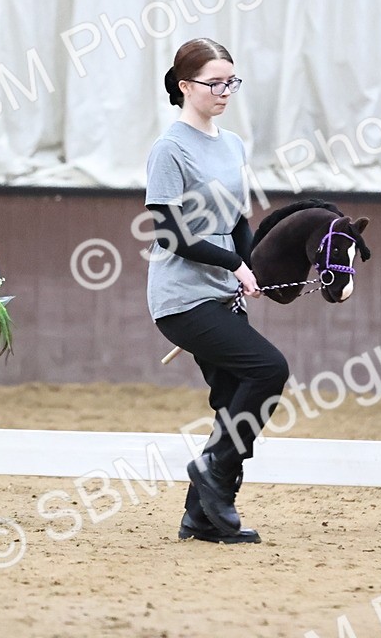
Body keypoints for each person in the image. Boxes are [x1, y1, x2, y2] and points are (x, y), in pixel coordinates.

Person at [144, 37, 290, 544]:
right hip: (182, 299)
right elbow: (169, 232)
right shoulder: (170, 148)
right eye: (215, 83)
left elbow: (239, 221)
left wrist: (254, 266)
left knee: (232, 398)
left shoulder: (232, 145)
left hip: (222, 292)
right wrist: (232, 263)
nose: (225, 91)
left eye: (231, 81)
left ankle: (200, 517)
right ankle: (212, 474)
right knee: (270, 369)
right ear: (186, 86)